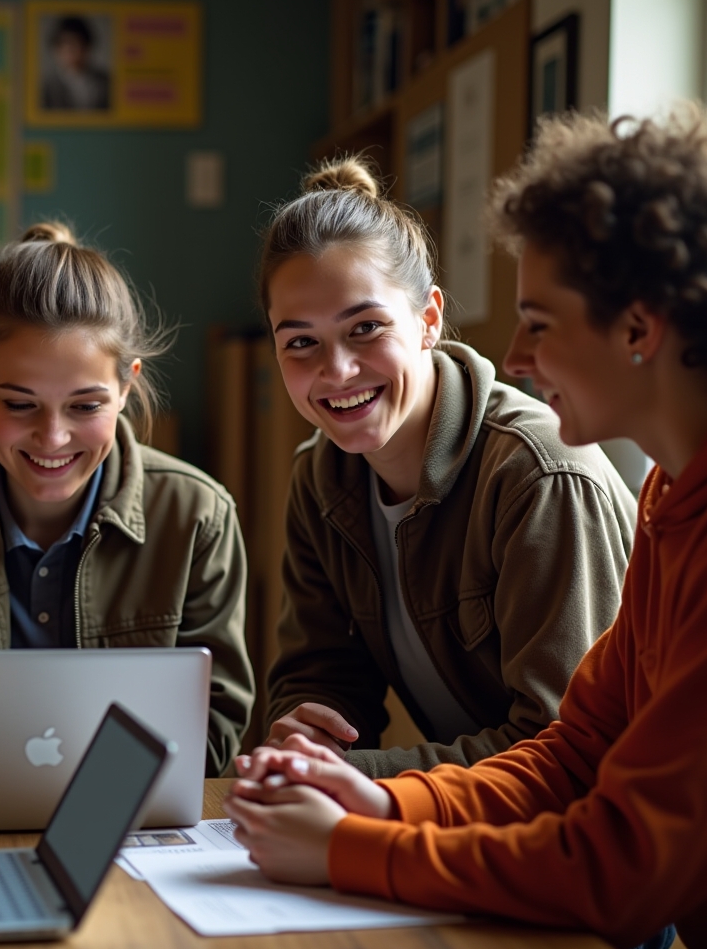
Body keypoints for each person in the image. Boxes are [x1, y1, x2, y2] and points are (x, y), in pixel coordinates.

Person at [228, 109, 707, 949]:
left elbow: (627, 867)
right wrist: (382, 807)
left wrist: (352, 847)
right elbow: (578, 749)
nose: (517, 356)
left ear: (639, 329)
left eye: (539, 321)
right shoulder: (680, 492)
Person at [256, 157, 636, 777]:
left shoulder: (539, 478)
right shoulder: (319, 479)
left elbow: (565, 751)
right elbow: (321, 673)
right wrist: (306, 734)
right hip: (480, 817)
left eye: (366, 327)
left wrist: (357, 780)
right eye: (300, 341)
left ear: (429, 318)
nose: (338, 370)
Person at [0, 223, 254, 775]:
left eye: (85, 407)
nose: (53, 437)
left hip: (123, 823)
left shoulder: (198, 517)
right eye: (20, 405)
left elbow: (215, 727)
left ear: (127, 387)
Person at [41, 15, 111, 111]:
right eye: (63, 44)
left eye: (74, 43)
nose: (69, 50)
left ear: (86, 46)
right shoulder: (46, 88)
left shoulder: (106, 84)